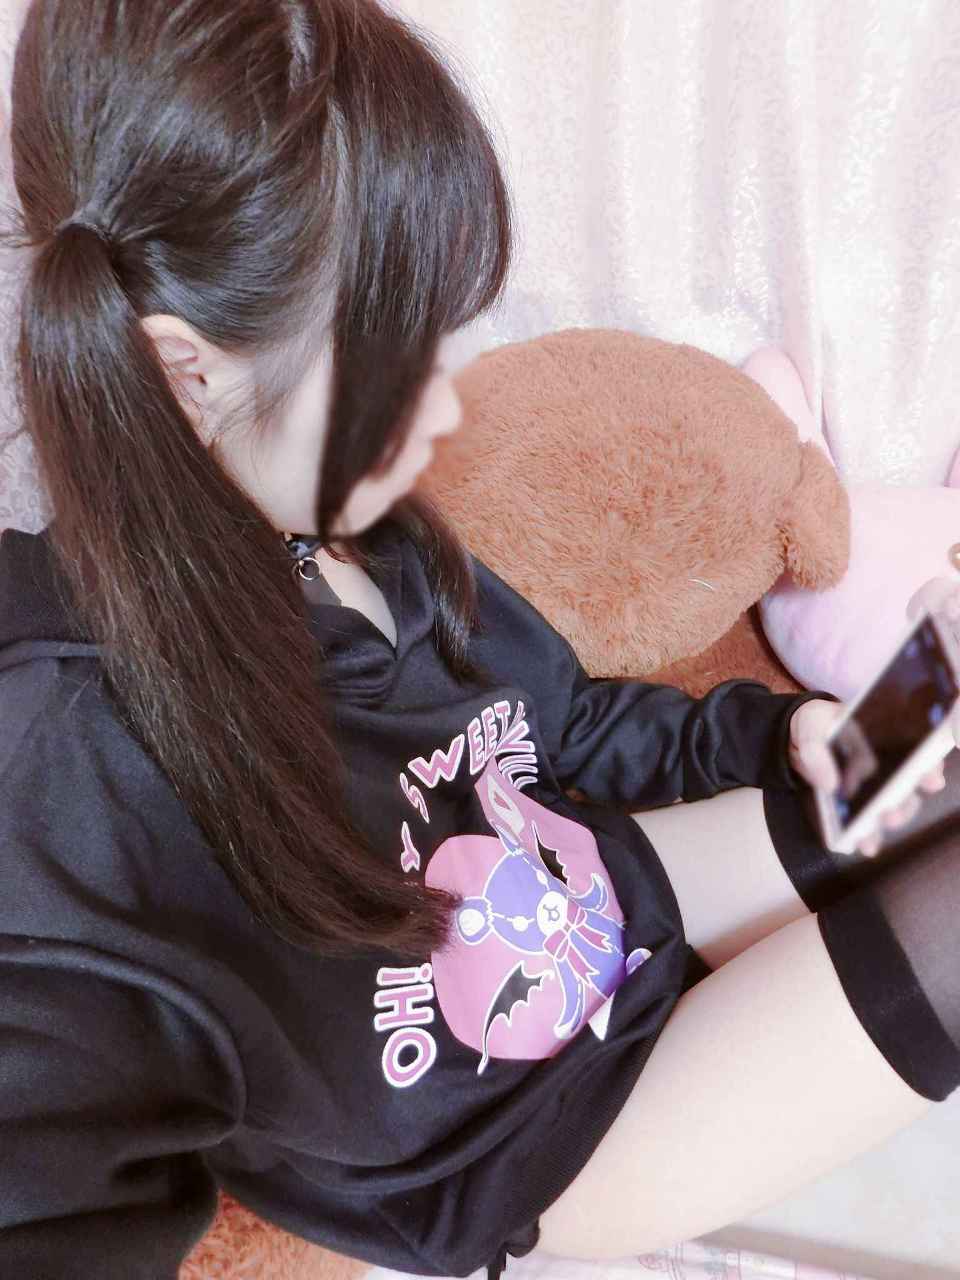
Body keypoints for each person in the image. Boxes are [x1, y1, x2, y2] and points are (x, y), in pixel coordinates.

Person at [0, 3, 957, 1278]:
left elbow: (564, 723)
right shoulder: (59, 766)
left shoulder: (365, 532)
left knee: (926, 755)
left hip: (605, 894)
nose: (447, 408)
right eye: (399, 365)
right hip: (548, 1128)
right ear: (187, 372)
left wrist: (777, 734)